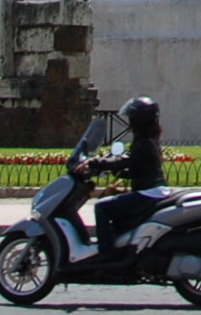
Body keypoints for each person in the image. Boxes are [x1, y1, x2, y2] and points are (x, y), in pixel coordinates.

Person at [63, 94, 170, 248]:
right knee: (115, 204)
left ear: (138, 119)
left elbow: (123, 161)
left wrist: (94, 162)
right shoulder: (149, 140)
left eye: (131, 117)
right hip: (153, 190)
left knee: (102, 207)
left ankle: (106, 252)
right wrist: (119, 173)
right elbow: (138, 168)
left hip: (149, 193)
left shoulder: (144, 143)